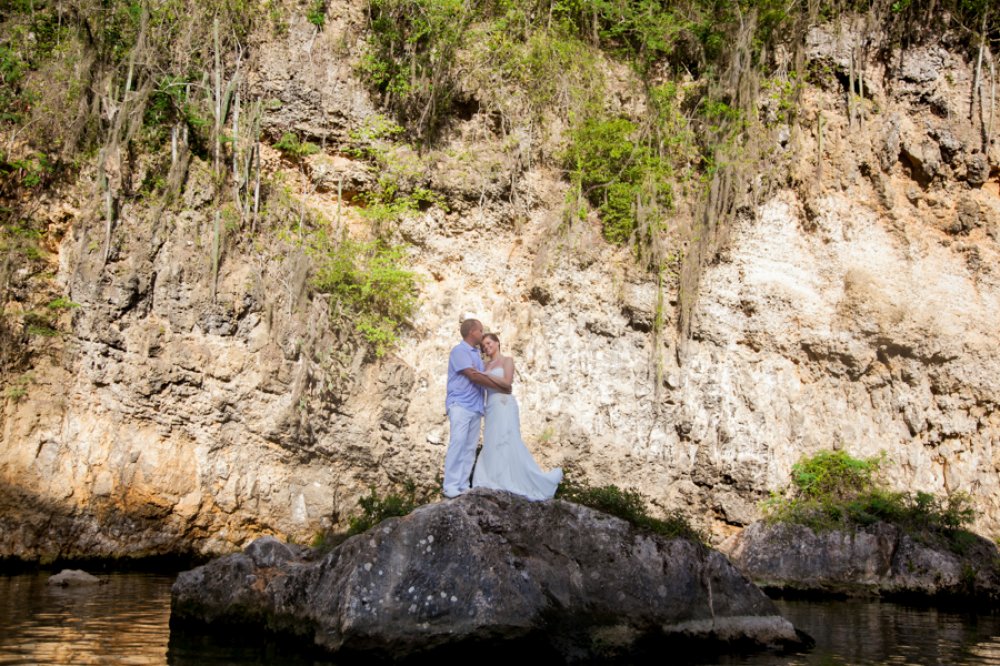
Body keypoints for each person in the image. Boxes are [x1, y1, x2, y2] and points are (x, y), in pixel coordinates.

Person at [472, 333, 562, 501]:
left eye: (489, 343)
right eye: (483, 346)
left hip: (506, 404)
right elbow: (485, 383)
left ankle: (517, 479)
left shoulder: (507, 361)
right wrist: (486, 377)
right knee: (492, 441)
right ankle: (492, 478)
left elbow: (507, 384)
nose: (486, 347)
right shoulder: (483, 365)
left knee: (509, 439)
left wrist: (487, 377)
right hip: (491, 406)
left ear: (497, 343)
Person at [443, 318, 509, 499]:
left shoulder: (477, 356)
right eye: (480, 330)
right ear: (473, 332)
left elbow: (480, 374)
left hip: (476, 407)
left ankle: (463, 484)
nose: (482, 333)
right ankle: (450, 485)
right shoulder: (459, 351)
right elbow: (472, 375)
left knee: (470, 447)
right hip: (461, 404)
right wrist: (501, 385)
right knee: (458, 443)